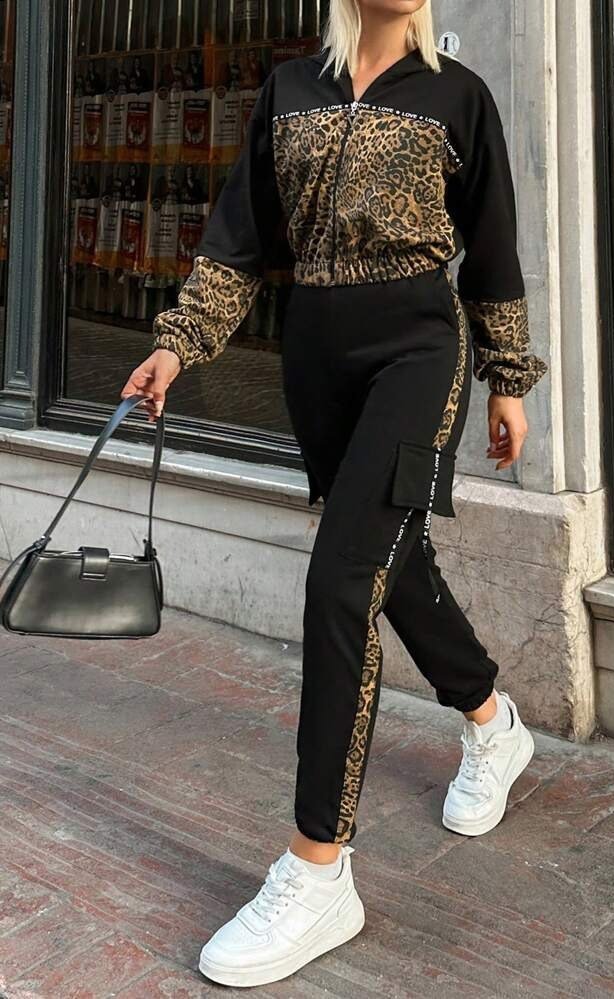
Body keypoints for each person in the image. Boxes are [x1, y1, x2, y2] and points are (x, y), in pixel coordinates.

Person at [120, 0, 548, 988]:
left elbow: (490, 245)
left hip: (417, 351)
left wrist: (508, 378)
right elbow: (238, 241)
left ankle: (317, 869)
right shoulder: (288, 88)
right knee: (393, 565)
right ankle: (492, 722)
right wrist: (177, 346)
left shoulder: (457, 94)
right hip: (316, 358)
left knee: (341, 584)